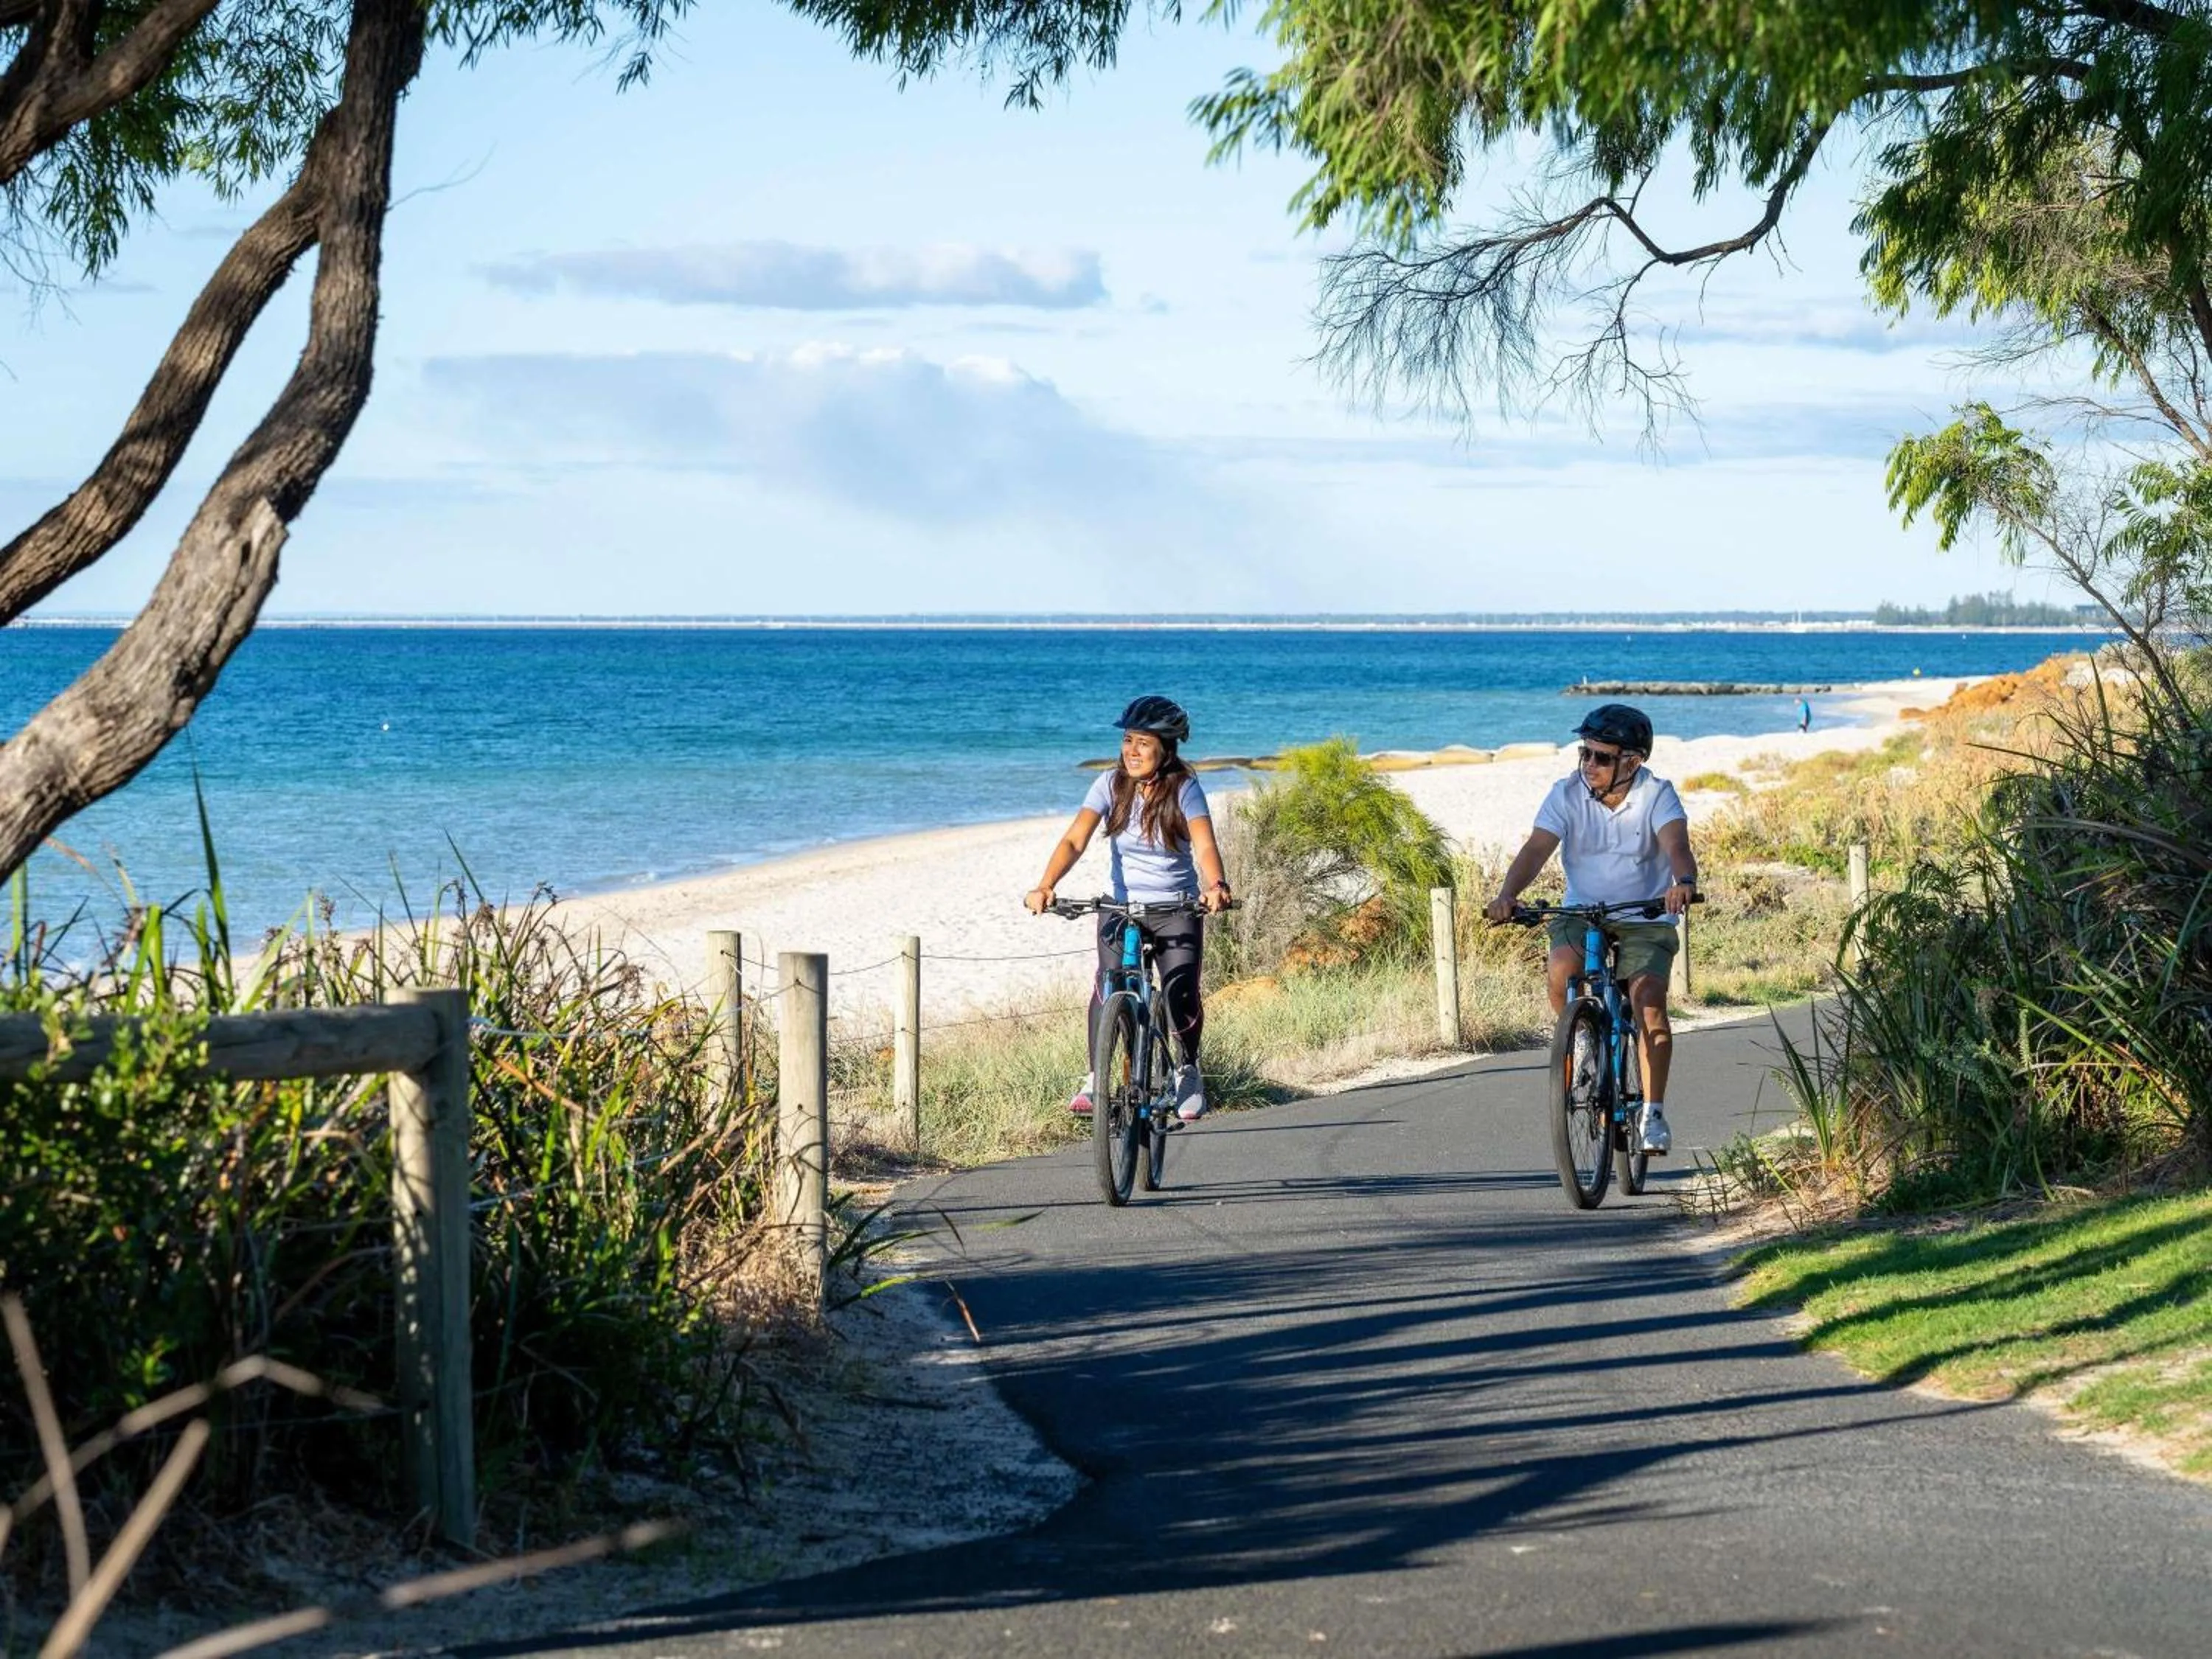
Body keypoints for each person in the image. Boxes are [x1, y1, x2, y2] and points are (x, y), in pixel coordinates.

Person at [1484, 703, 1699, 1155]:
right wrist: (1507, 894)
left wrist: (1683, 883)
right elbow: (1537, 849)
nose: (1590, 765)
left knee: (1649, 1005)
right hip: (1583, 911)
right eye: (1585, 753)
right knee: (1562, 968)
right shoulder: (1565, 795)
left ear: (1632, 762)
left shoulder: (1657, 795)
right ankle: (1581, 1036)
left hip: (1645, 916)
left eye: (1602, 757)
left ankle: (1653, 1115)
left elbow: (1676, 844)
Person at [1026, 696, 1233, 1121]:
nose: (1131, 751)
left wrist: (1216, 885)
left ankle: (1188, 1072)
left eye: (1143, 743)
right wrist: (1046, 885)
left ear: (1167, 749)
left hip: (1176, 907)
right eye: (1127, 740)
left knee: (1180, 991)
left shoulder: (1185, 788)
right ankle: (1096, 1076)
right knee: (1108, 984)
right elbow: (1074, 840)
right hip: (1119, 907)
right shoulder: (1108, 784)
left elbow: (1206, 844)